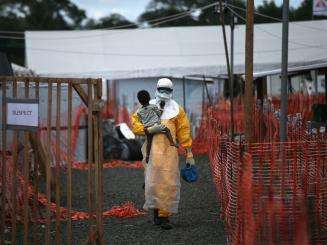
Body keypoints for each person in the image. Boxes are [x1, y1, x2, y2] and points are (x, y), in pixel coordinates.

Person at [131, 78, 195, 230]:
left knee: (167, 183)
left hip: (169, 153)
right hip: (151, 152)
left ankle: (164, 216)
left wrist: (189, 153)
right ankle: (156, 212)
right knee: (153, 182)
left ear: (172, 91)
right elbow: (136, 125)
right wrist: (148, 130)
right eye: (162, 89)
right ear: (157, 88)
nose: (165, 93)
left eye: (168, 90)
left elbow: (184, 131)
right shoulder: (147, 107)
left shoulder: (177, 110)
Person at [136, 90, 178, 163]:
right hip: (156, 126)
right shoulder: (153, 106)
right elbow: (159, 114)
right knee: (167, 130)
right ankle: (172, 142)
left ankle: (147, 156)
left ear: (139, 101)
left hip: (147, 129)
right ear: (149, 98)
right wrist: (162, 106)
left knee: (149, 143)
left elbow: (141, 120)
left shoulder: (139, 111)